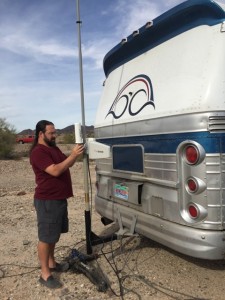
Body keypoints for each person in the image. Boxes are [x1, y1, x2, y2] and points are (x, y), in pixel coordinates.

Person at [30, 120, 84, 289]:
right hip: (47, 200)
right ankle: (45, 274)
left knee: (54, 235)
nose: (55, 135)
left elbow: (67, 163)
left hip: (58, 198)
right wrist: (73, 155)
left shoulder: (53, 148)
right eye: (51, 133)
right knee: (46, 237)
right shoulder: (38, 152)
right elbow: (55, 170)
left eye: (55, 132)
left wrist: (75, 154)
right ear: (41, 134)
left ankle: (52, 263)